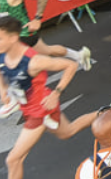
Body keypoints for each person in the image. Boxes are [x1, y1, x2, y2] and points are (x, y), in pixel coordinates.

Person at [0, 16, 100, 179]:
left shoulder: (34, 61)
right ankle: (109, 111)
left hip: (40, 111)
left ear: (13, 38)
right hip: (28, 108)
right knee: (67, 132)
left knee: (13, 160)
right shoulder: (3, 53)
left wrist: (56, 93)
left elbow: (70, 65)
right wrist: (3, 90)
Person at [0, 0, 92, 80]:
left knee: (35, 59)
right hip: (5, 35)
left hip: (22, 34)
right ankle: (79, 56)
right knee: (47, 51)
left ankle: (71, 63)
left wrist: (37, 19)